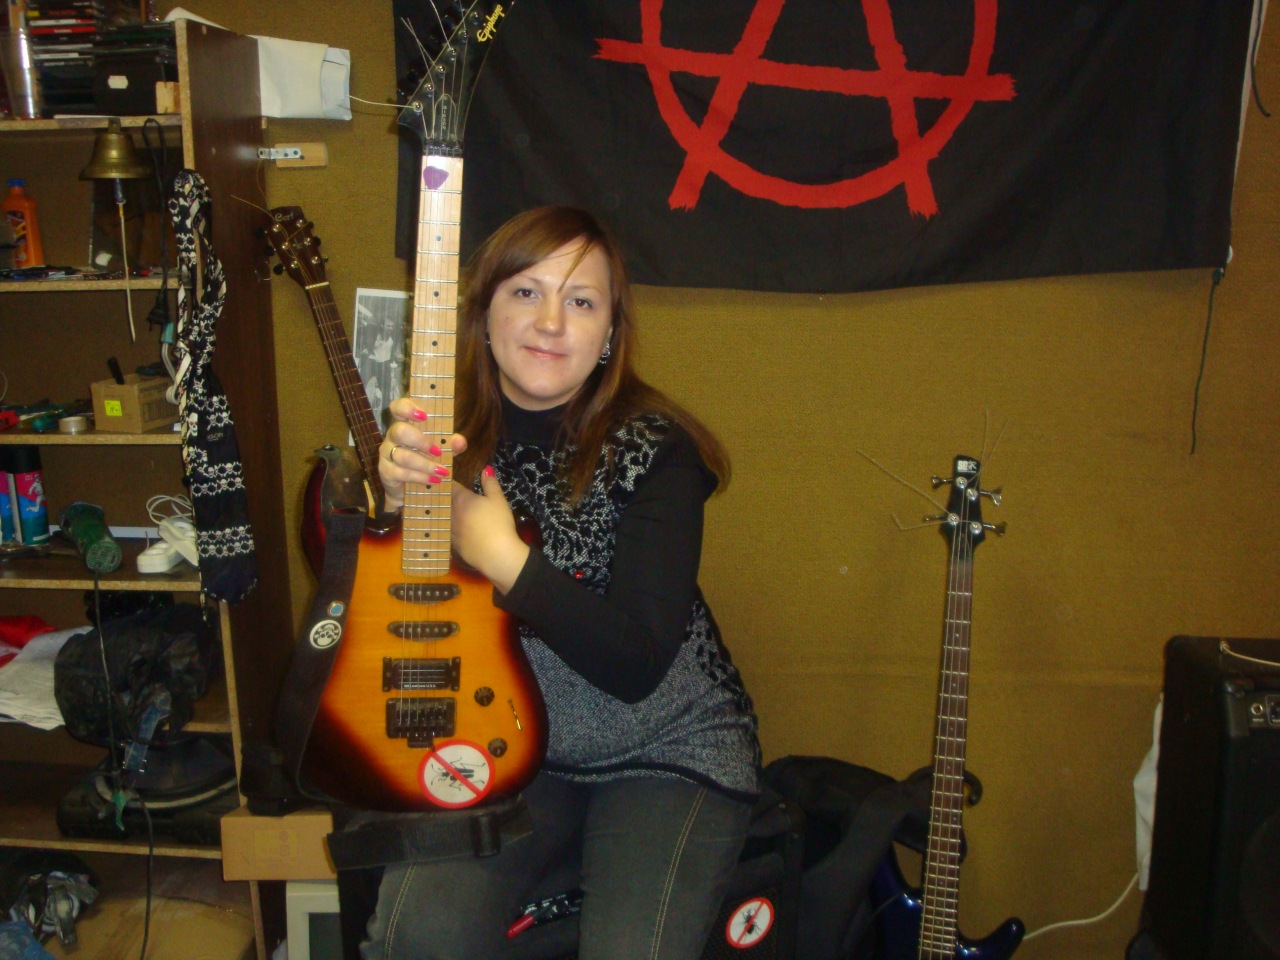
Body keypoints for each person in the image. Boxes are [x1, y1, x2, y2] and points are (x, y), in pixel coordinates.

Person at [362, 205, 761, 960]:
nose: (550, 322)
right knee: (417, 937)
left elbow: (637, 665)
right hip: (513, 744)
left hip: (666, 748)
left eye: (581, 301)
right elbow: (400, 627)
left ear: (609, 333)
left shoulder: (657, 451)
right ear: (482, 316)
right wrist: (390, 512)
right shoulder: (449, 442)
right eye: (526, 292)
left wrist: (505, 559)